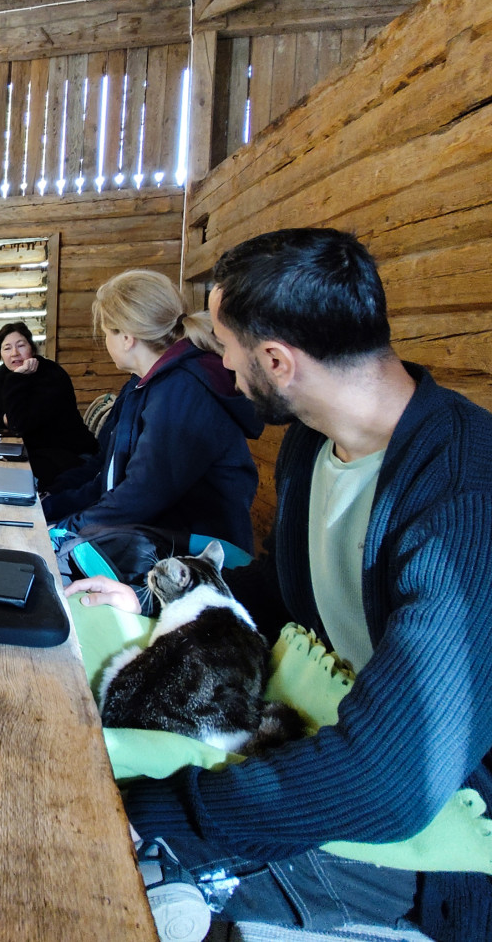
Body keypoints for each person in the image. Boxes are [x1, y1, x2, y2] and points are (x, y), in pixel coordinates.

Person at [70, 229, 492, 941]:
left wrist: (166, 816)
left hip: (429, 829)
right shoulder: (312, 440)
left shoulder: (459, 493)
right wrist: (154, 597)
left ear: (276, 361)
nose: (220, 363)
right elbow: (282, 588)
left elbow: (394, 782)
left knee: (100, 867)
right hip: (324, 740)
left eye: (227, 348)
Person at [44, 268, 262, 554]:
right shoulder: (140, 385)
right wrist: (46, 506)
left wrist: (64, 531)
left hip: (194, 559)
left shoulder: (184, 388)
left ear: (126, 337)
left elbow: (142, 495)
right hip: (144, 539)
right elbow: (103, 472)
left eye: (107, 332)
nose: (106, 341)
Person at [0, 321, 96, 487]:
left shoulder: (52, 374)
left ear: (32, 348)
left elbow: (21, 424)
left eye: (21, 346)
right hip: (36, 451)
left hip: (70, 453)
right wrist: (10, 419)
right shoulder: (0, 375)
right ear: (0, 353)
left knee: (8, 478)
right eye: (7, 348)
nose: (14, 353)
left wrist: (16, 379)